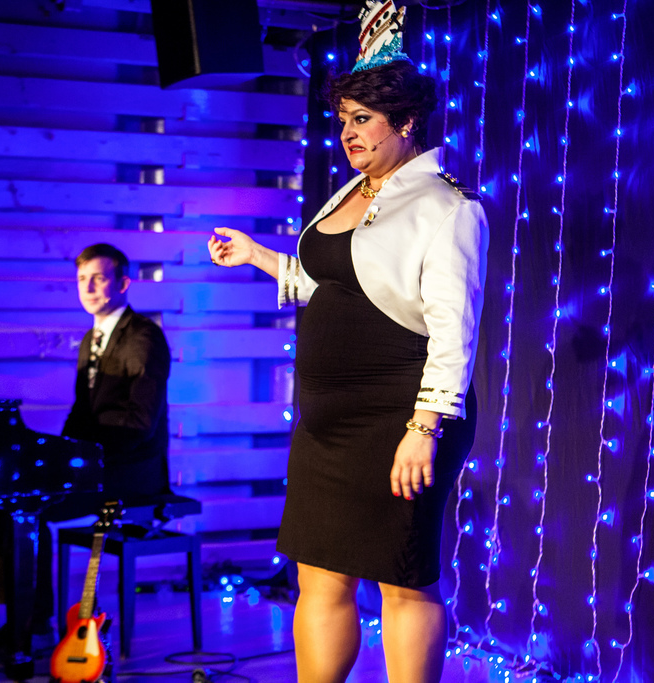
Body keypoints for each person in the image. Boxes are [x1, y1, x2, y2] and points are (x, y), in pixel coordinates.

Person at [206, 3, 487, 681]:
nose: (347, 133)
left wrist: (423, 428)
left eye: (363, 119)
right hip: (326, 426)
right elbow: (331, 283)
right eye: (342, 120)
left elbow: (454, 329)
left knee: (401, 577)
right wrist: (257, 256)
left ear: (406, 121)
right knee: (319, 572)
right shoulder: (347, 194)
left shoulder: (447, 206)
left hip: (400, 417)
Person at [0, 243, 171, 646]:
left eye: (98, 278)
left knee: (26, 502)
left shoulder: (143, 337)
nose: (88, 288)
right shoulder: (90, 338)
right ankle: (27, 616)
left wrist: (81, 459)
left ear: (123, 283)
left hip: (131, 470)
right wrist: (56, 452)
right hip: (99, 462)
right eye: (82, 279)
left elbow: (139, 424)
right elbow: (82, 413)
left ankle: (31, 623)